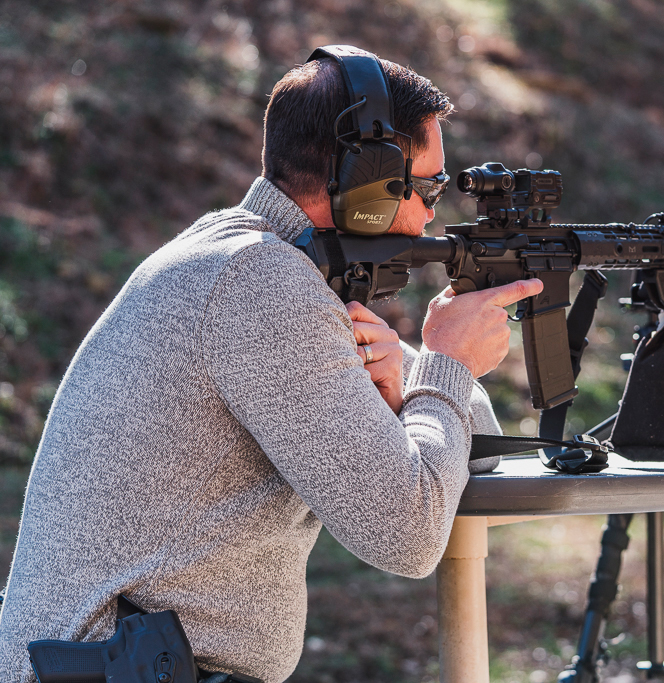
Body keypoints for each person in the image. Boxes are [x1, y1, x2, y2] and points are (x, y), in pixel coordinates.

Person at [0, 49, 542, 683]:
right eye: (425, 188)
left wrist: (419, 383)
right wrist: (447, 364)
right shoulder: (259, 282)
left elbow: (470, 447)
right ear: (366, 181)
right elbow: (409, 533)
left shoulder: (246, 258)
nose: (430, 215)